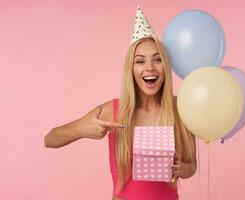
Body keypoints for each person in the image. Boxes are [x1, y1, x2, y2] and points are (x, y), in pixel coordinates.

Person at [44, 6, 196, 200]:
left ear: (165, 67)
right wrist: (82, 129)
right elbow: (50, 139)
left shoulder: (180, 108)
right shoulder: (114, 110)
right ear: (130, 69)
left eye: (157, 60)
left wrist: (181, 168)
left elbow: (192, 166)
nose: (150, 67)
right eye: (140, 61)